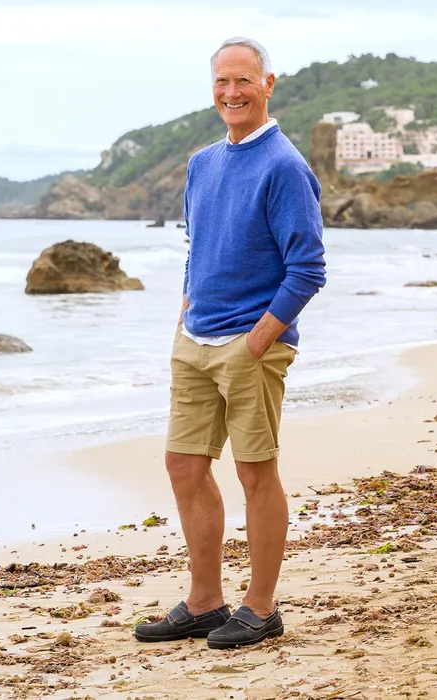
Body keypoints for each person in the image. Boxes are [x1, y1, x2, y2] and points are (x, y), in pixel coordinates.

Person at [134, 37, 326, 650]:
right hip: (193, 339)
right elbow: (196, 247)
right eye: (222, 82)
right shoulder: (202, 162)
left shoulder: (286, 165)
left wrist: (259, 339)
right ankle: (204, 601)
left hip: (251, 344)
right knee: (184, 467)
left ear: (269, 83)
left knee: (255, 473)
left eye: (244, 81)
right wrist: (186, 310)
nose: (232, 93)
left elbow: (308, 268)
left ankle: (262, 608)